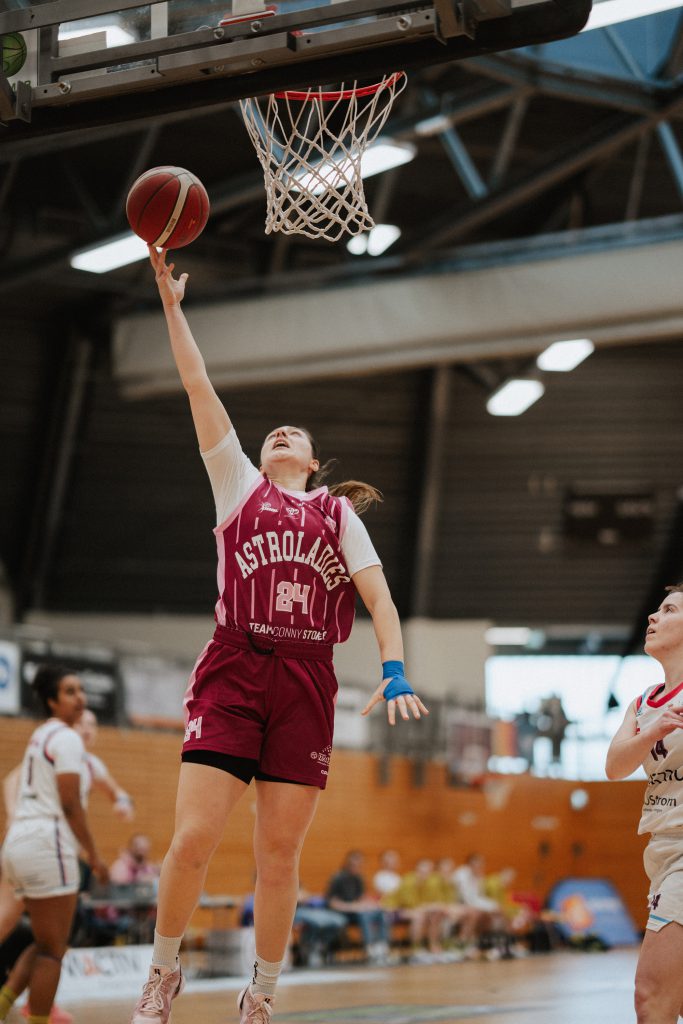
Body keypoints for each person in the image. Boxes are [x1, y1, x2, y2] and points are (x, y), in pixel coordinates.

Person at [129, 246, 428, 1024]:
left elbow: (378, 597)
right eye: (273, 431)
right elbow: (197, 384)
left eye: (294, 433)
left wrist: (394, 668)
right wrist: (171, 307)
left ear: (314, 461)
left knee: (279, 857)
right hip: (235, 666)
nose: (282, 432)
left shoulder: (337, 513)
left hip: (305, 679)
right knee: (193, 838)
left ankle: (260, 992)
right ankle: (161, 973)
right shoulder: (238, 485)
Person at [0, 666, 108, 1024]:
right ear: (51, 701)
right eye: (69, 691)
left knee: (45, 942)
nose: (80, 697)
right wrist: (94, 855)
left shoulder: (40, 735)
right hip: (47, 843)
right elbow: (70, 804)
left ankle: (2, 1003)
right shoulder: (67, 738)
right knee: (53, 952)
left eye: (81, 690)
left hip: (17, 843)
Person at [606, 583, 683, 1024]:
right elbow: (615, 766)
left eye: (669, 610)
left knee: (650, 996)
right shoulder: (641, 703)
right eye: (656, 610)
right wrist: (652, 732)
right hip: (661, 851)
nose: (654, 617)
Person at [325, 851, 392, 964]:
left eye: (360, 865)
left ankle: (382, 947)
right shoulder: (338, 877)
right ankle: (369, 948)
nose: (358, 867)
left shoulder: (358, 878)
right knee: (364, 916)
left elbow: (361, 897)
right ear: (348, 864)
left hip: (356, 911)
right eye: (355, 865)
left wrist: (370, 904)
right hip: (342, 912)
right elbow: (332, 902)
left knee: (380, 912)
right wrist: (352, 907)